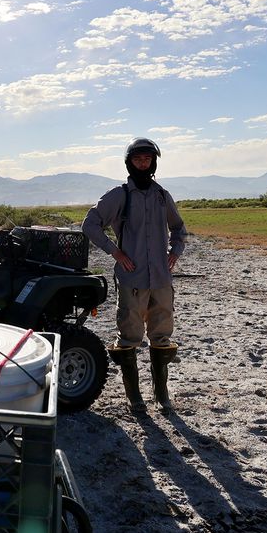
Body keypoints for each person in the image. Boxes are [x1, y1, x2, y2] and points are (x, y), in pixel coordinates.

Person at [82, 137, 188, 414]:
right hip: (132, 278)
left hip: (161, 280)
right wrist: (114, 252)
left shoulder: (162, 195)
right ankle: (134, 397)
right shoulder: (119, 195)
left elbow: (178, 228)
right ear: (129, 162)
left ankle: (161, 395)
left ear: (154, 162)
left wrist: (175, 251)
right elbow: (90, 224)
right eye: (138, 159)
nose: (143, 163)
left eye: (148, 159)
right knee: (129, 335)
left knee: (161, 335)